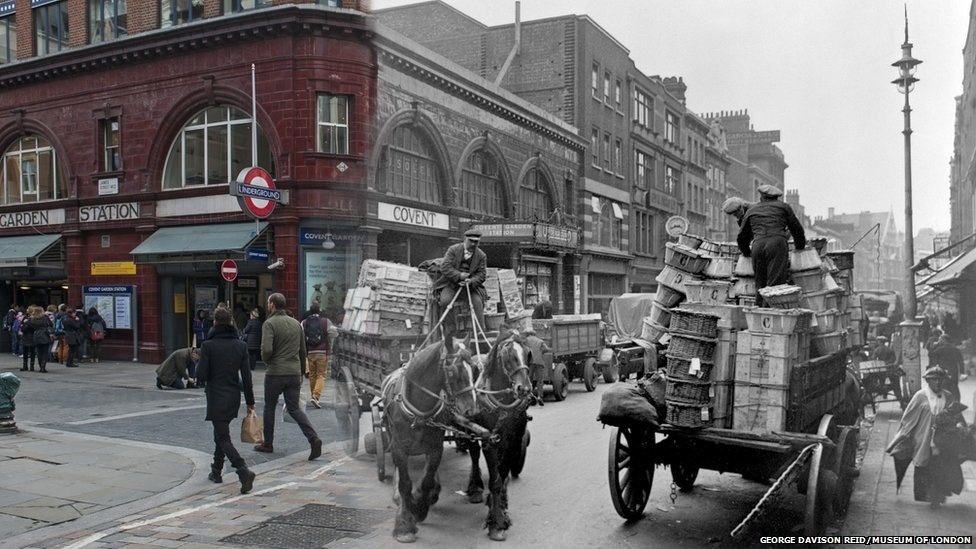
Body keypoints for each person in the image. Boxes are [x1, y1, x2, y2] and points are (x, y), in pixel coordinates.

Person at [885, 366, 966, 509]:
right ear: (928, 381)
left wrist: (959, 426)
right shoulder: (920, 396)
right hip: (923, 439)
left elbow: (957, 416)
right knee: (925, 467)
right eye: (934, 380)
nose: (938, 383)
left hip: (943, 441)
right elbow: (908, 420)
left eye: (940, 380)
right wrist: (898, 440)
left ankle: (937, 496)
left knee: (940, 467)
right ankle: (928, 494)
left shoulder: (948, 396)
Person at [195, 307, 256, 494]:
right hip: (233, 397)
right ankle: (216, 470)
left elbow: (201, 376)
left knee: (223, 437)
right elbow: (247, 377)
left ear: (214, 322)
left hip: (216, 396)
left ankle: (242, 470)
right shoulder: (240, 346)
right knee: (220, 433)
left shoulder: (208, 346)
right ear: (231, 322)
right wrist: (250, 402)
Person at [254, 292, 322, 460]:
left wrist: (268, 361)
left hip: (275, 373)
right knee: (294, 408)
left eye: (269, 302)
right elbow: (302, 351)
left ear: (272, 305)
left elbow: (267, 350)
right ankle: (313, 437)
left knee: (269, 406)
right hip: (293, 373)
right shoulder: (296, 324)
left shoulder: (269, 324)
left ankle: (268, 443)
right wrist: (300, 372)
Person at [736, 184, 806, 307]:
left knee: (760, 284)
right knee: (775, 285)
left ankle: (759, 316)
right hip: (777, 245)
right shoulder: (784, 208)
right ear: (776, 197)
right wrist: (800, 247)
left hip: (757, 246)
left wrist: (747, 253)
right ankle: (771, 317)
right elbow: (796, 229)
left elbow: (742, 237)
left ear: (761, 197)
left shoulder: (752, 210)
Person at [432, 228, 488, 345]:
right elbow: (445, 267)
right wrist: (460, 276)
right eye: (471, 241)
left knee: (478, 303)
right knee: (445, 301)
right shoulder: (453, 250)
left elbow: (482, 274)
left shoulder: (481, 255)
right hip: (452, 284)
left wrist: (471, 281)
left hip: (470, 288)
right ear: (465, 239)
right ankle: (451, 329)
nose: (473, 244)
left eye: (476, 242)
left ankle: (479, 332)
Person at [301, 302, 337, 408]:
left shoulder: (304, 322)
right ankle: (316, 396)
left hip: (310, 352)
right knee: (321, 375)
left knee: (312, 375)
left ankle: (314, 396)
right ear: (319, 310)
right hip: (322, 352)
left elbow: (301, 335)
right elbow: (334, 333)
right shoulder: (326, 321)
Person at [928, 335, 963, 402]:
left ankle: (943, 402)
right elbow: (960, 361)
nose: (939, 341)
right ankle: (956, 402)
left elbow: (931, 355)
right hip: (953, 370)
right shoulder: (955, 349)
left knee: (942, 387)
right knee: (954, 387)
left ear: (944, 340)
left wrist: (934, 346)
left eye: (940, 339)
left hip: (943, 370)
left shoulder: (939, 349)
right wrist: (962, 372)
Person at [871, 335, 902, 401]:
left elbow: (873, 359)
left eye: (878, 341)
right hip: (889, 369)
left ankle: (883, 392)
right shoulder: (889, 349)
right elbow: (893, 359)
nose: (877, 342)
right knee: (895, 383)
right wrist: (887, 363)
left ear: (880, 342)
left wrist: (880, 363)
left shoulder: (877, 350)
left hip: (880, 370)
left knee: (880, 381)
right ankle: (899, 398)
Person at [28, 306, 53, 373]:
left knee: (39, 352)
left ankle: (40, 366)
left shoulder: (32, 319)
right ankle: (43, 367)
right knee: (45, 352)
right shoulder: (45, 318)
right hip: (44, 334)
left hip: (36, 335)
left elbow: (30, 326)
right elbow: (51, 324)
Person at [242, 306, 264, 371]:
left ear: (253, 316)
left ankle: (249, 367)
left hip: (250, 341)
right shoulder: (259, 323)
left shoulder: (250, 322)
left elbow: (246, 330)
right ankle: (253, 366)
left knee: (249, 354)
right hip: (257, 341)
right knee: (254, 355)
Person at [19, 306, 37, 372]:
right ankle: (26, 366)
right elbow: (22, 328)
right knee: (27, 352)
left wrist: (26, 323)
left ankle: (30, 366)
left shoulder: (32, 319)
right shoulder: (26, 317)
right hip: (27, 336)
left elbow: (33, 328)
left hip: (30, 336)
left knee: (31, 352)